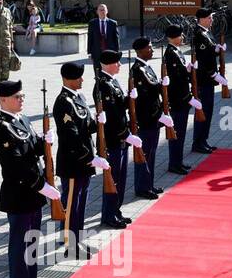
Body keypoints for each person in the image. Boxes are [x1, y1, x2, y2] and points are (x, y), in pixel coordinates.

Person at [0, 79, 61, 278]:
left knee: (33, 238)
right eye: (16, 97)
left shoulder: (22, 120)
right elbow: (17, 165)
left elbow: (32, 150)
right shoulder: (2, 129)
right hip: (20, 193)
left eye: (22, 96)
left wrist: (44, 142)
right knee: (19, 242)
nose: (21, 99)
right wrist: (42, 186)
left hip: (33, 192)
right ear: (3, 100)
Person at [53, 61, 110, 257]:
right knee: (71, 205)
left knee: (80, 203)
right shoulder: (63, 102)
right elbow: (71, 136)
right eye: (78, 77)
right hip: (73, 163)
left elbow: (85, 126)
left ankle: (77, 239)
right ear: (68, 79)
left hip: (83, 163)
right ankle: (70, 245)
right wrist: (90, 158)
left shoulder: (79, 97)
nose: (82, 80)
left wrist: (97, 123)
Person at [93, 49, 134, 229]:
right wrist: (125, 134)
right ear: (109, 64)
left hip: (121, 138)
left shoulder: (112, 81)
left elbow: (120, 106)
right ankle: (109, 215)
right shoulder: (103, 84)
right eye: (117, 62)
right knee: (113, 178)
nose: (120, 65)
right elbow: (113, 115)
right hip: (113, 139)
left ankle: (116, 211)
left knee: (121, 177)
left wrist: (129, 99)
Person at [128, 36, 170, 199]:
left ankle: (149, 184)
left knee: (151, 154)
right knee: (144, 155)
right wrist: (159, 115)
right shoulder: (137, 70)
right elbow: (144, 99)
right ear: (140, 50)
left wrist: (161, 84)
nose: (152, 50)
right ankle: (142, 187)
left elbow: (154, 89)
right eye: (149, 48)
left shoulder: (147, 67)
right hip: (146, 120)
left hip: (153, 119)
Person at [162, 26, 194, 175]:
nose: (182, 38)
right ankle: (174, 164)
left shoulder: (176, 51)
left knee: (180, 134)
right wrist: (187, 98)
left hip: (182, 100)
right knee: (177, 134)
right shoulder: (170, 53)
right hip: (178, 100)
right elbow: (176, 81)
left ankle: (178, 161)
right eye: (180, 36)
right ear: (174, 36)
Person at [191, 7, 222, 154]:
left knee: (208, 111)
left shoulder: (206, 32)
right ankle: (198, 142)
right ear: (202, 19)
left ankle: (203, 140)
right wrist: (213, 74)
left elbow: (209, 51)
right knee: (203, 111)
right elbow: (203, 59)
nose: (212, 20)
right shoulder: (199, 34)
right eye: (209, 18)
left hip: (208, 79)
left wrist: (217, 49)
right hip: (204, 79)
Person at [87, 3, 120, 68]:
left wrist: (117, 53)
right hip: (96, 52)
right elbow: (90, 38)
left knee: (109, 71)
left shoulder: (113, 23)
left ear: (107, 11)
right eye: (100, 10)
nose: (102, 11)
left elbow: (116, 39)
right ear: (97, 12)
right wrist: (89, 52)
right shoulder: (92, 23)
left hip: (109, 52)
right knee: (97, 72)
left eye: (103, 10)